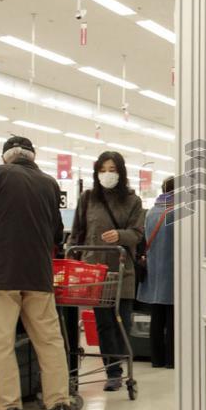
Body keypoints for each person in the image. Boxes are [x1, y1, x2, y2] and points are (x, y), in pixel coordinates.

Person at [0, 135, 71, 410]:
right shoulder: (49, 183)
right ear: (32, 157)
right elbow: (57, 235)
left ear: (5, 156)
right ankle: (59, 403)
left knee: (2, 343)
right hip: (38, 275)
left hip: (1, 274)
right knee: (49, 341)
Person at [70, 152, 144, 390]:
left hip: (122, 270)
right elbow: (77, 231)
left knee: (120, 321)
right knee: (103, 323)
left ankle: (118, 364)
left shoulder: (133, 201)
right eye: (103, 169)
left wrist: (120, 236)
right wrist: (72, 257)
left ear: (120, 172)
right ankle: (113, 372)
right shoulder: (88, 198)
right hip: (95, 272)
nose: (107, 174)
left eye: (112, 169)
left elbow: (137, 234)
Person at [137, 177, 174, 368]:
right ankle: (171, 359)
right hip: (173, 274)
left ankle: (156, 359)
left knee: (156, 319)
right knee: (173, 317)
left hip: (154, 273)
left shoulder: (151, 212)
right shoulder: (177, 213)